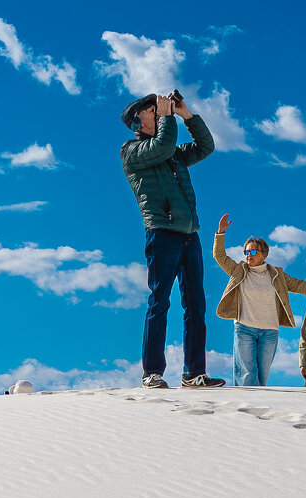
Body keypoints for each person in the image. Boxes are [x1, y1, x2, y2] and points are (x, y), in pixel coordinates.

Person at [120, 92, 224, 389]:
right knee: (159, 303)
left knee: (196, 307)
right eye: (151, 108)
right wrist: (167, 118)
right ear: (137, 118)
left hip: (190, 235)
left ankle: (194, 373)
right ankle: (151, 373)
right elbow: (162, 145)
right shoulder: (131, 151)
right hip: (162, 232)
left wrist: (187, 115)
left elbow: (206, 146)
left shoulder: (174, 153)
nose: (157, 109)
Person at [213, 214, 306, 386]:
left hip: (269, 331)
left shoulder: (276, 274)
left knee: (261, 377)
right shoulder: (239, 270)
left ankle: (256, 410)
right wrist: (220, 233)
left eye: (253, 251)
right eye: (246, 251)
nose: (248, 255)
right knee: (247, 375)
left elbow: (298, 285)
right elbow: (220, 256)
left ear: (264, 254)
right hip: (244, 328)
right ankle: (245, 409)